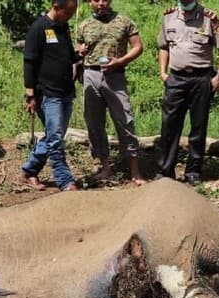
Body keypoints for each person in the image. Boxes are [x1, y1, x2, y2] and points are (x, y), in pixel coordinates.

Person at [156, 0, 219, 186]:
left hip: (202, 79)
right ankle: (166, 170)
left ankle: (193, 171)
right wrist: (163, 73)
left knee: (198, 126)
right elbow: (164, 46)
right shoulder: (169, 17)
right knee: (169, 126)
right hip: (176, 79)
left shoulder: (209, 18)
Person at [76, 0, 145, 186]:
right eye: (96, 0)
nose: (101, 4)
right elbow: (77, 50)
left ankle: (135, 170)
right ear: (91, 2)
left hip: (115, 75)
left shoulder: (124, 21)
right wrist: (79, 51)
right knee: (94, 122)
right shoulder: (83, 25)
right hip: (91, 74)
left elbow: (138, 47)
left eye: (105, 0)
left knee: (125, 120)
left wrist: (121, 61)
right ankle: (105, 166)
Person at [21, 0, 80, 191]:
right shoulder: (38, 29)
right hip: (47, 93)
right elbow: (29, 63)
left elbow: (69, 56)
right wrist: (30, 95)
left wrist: (80, 54)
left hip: (65, 91)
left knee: (54, 135)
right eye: (69, 12)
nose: (71, 16)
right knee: (55, 138)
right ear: (56, 7)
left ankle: (30, 170)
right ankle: (65, 180)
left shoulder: (64, 28)